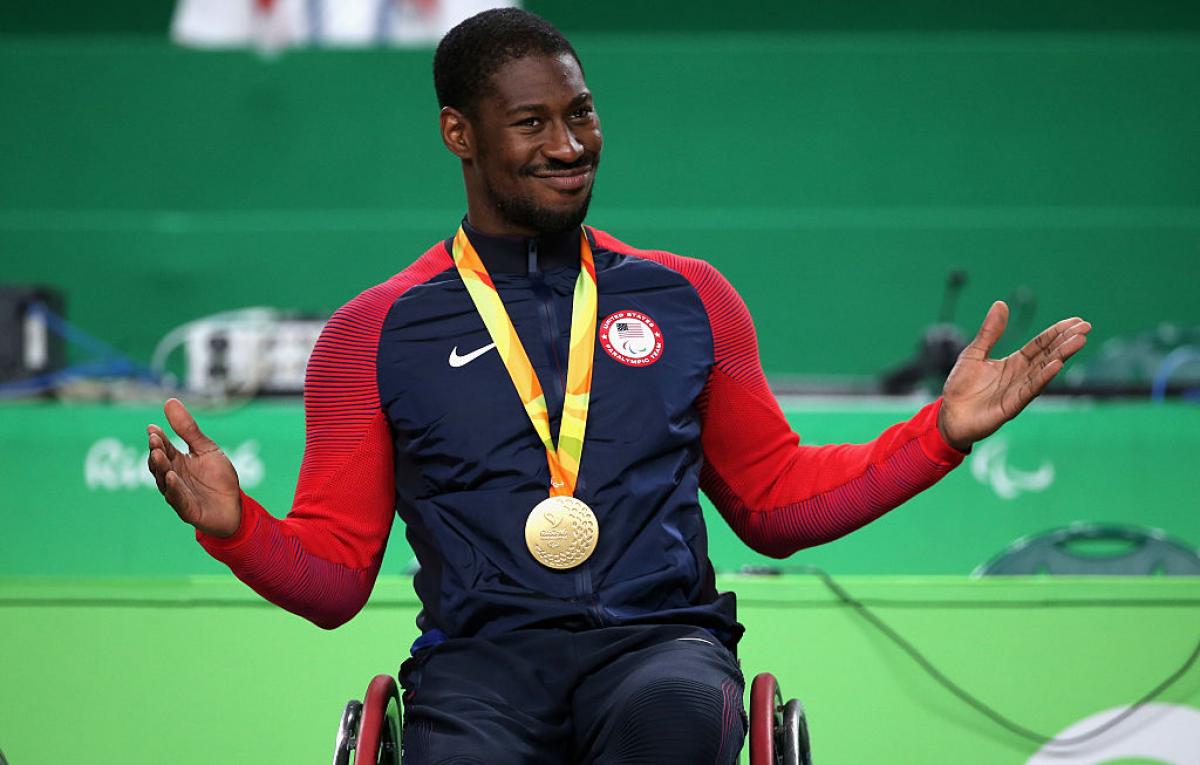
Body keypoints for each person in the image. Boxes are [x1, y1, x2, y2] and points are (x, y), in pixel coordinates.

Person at [146, 8, 1091, 764]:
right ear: (458, 134)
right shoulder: (372, 334)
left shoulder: (689, 299)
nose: (570, 145)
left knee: (668, 723)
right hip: (478, 672)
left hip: (661, 650)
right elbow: (335, 578)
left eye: (582, 113)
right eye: (533, 123)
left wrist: (943, 432)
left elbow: (773, 500)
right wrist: (236, 528)